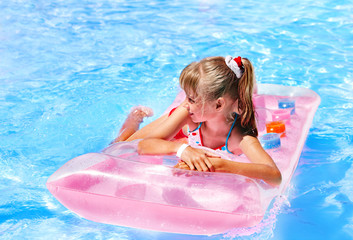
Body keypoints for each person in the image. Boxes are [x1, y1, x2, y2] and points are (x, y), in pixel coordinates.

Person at [113, 56, 282, 186]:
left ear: (219, 104)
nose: (185, 102)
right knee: (118, 146)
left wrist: (219, 165)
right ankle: (134, 118)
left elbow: (274, 175)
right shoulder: (186, 112)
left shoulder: (239, 138)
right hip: (180, 124)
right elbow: (144, 145)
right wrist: (181, 149)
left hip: (193, 131)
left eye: (191, 99)